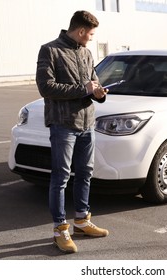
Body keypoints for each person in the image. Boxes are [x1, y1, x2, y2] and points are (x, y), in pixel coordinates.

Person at [36, 10, 109, 254]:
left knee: (85, 173)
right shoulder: (50, 50)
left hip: (88, 123)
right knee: (61, 177)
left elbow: (93, 83)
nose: (91, 38)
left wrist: (99, 93)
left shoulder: (86, 53)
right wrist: (83, 89)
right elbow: (46, 87)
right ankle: (60, 229)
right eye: (90, 34)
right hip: (63, 124)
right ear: (80, 31)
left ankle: (81, 221)